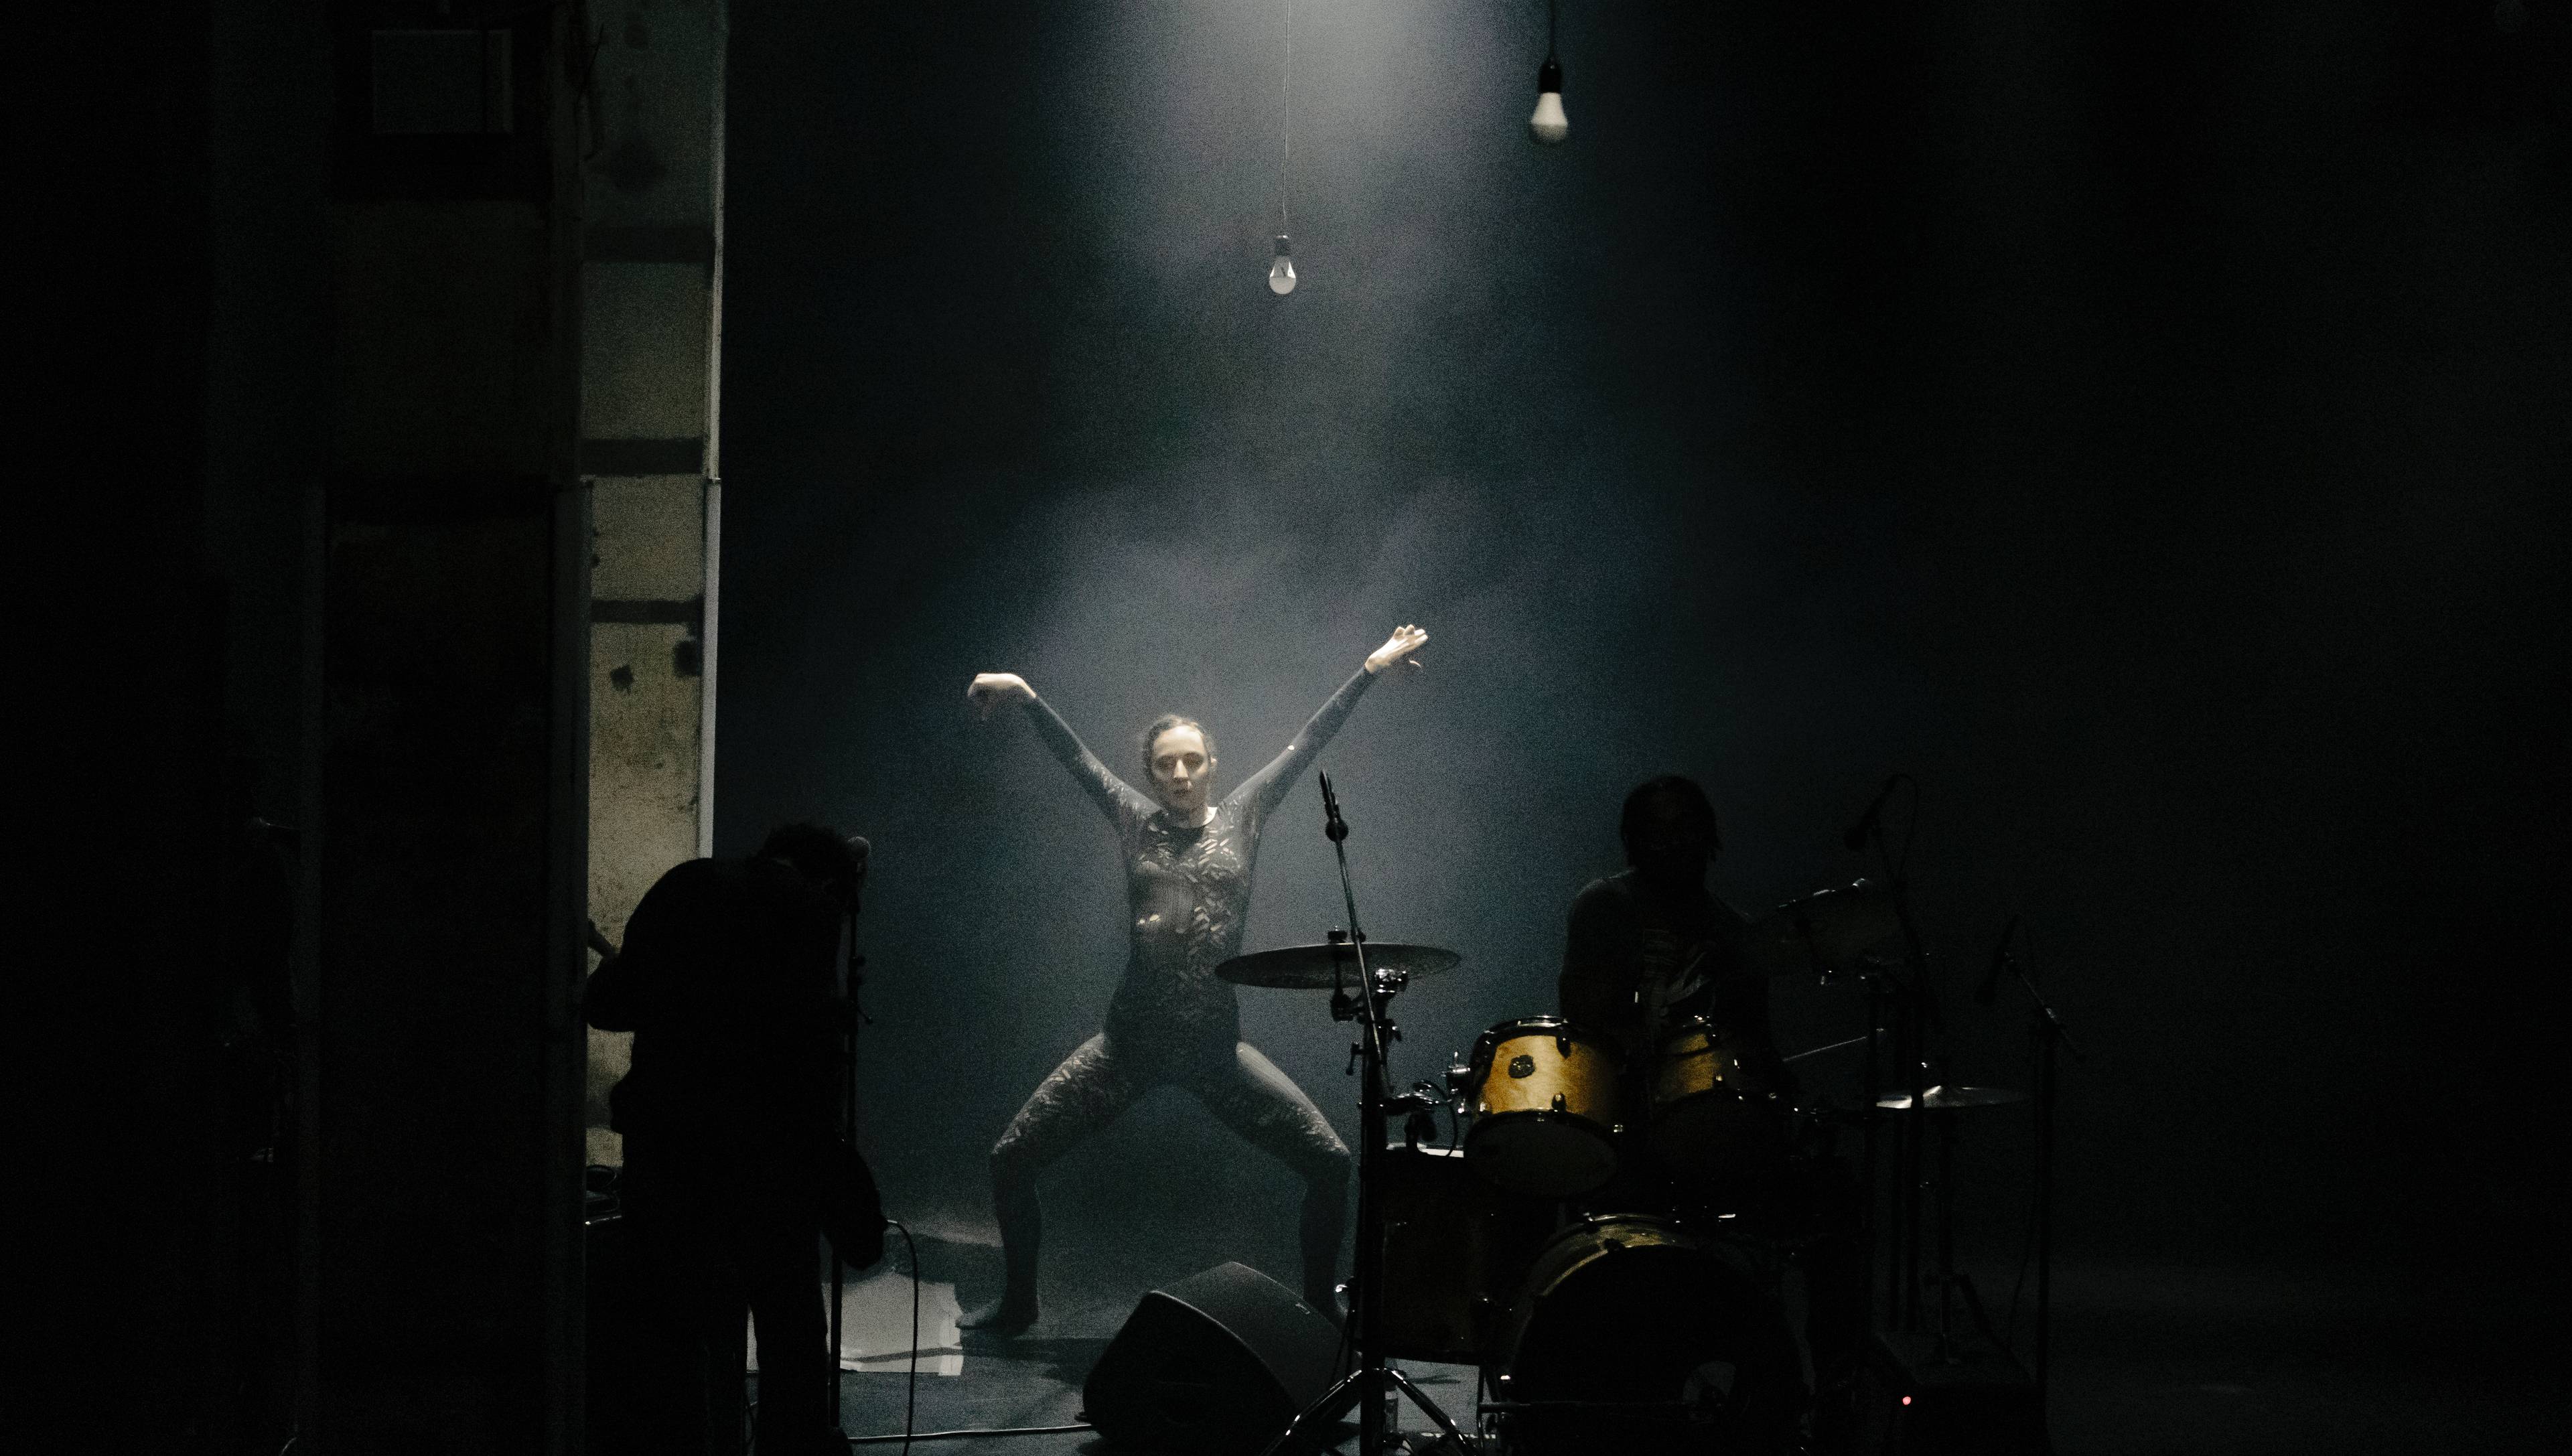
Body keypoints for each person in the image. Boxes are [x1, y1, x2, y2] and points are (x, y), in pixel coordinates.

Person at [958, 624, 1429, 1334]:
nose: (1179, 776)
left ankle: (1319, 1301)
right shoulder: (1132, 818)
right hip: (1129, 1045)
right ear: (1150, 774)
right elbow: (1078, 760)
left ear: (1212, 765)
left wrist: (1368, 668)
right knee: (1010, 1159)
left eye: (1192, 763)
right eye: (1165, 766)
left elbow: (1307, 744)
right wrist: (1026, 696)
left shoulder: (1245, 813)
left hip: (1214, 1051)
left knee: (1332, 1162)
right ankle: (1020, 1301)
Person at [1559, 776, 1864, 1447]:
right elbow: (1583, 1030)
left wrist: (1799, 1105)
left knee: (1836, 1193)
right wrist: (1650, 1001)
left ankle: (1839, 1392)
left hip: (1724, 1138)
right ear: (1636, 838)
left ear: (1711, 835)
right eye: (1661, 826)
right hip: (1629, 1138)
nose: (1677, 839)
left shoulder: (1734, 933)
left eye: (1689, 824)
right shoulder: (1605, 908)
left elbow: (1758, 1049)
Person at [584, 822, 881, 1456]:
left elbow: (607, 1006)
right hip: (773, 1155)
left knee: (677, 1323)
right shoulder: (810, 908)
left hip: (670, 1148)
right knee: (787, 1318)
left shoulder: (686, 882)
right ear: (828, 879)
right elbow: (809, 1049)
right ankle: (794, 1445)